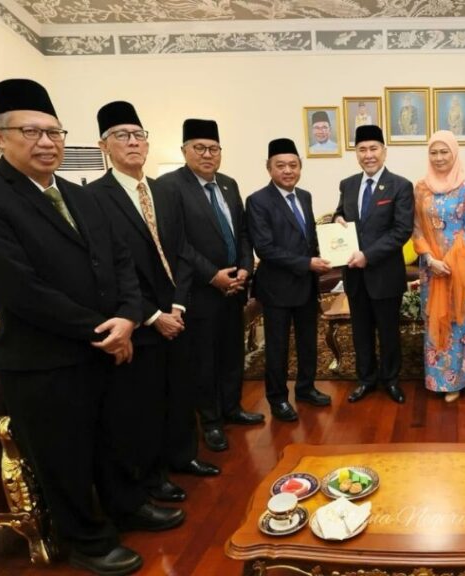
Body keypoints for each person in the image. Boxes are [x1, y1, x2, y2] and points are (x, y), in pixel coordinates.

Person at [0, 79, 175, 576]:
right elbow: (20, 288)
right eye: (30, 131)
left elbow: (121, 260)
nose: (46, 142)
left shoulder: (82, 196)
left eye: (54, 132)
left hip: (108, 346)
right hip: (45, 360)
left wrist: (129, 315)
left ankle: (127, 506)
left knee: (115, 439)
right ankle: (87, 541)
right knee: (65, 456)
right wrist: (103, 330)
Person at [88, 101, 199, 505]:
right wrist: (153, 315)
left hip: (178, 313)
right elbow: (110, 268)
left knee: (181, 391)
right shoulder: (93, 198)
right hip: (139, 319)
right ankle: (153, 477)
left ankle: (184, 456)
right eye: (122, 136)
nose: (133, 142)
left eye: (138, 135)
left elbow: (182, 251)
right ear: (104, 146)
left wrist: (179, 306)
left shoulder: (165, 191)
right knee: (146, 403)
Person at [156, 119, 262, 455]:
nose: (207, 154)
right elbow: (178, 242)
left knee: (232, 352)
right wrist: (213, 275)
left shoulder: (228, 184)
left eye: (213, 148)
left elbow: (242, 232)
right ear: (184, 150)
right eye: (199, 148)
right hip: (200, 291)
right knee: (203, 360)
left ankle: (232, 408)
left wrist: (245, 268)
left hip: (234, 287)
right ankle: (211, 420)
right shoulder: (170, 186)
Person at [245, 138, 333, 422]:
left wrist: (328, 249)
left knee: (308, 341)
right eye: (280, 165)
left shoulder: (304, 196)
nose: (288, 171)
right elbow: (265, 248)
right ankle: (278, 398)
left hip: (306, 285)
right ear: (269, 168)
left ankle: (306, 388)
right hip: (277, 287)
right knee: (278, 347)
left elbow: (308, 238)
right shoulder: (258, 201)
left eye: (293, 165)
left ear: (300, 167)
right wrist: (307, 263)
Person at [336, 125, 415, 404]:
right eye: (362, 149)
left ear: (384, 151)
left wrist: (368, 255)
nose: (368, 154)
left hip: (384, 273)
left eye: (373, 148)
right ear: (356, 153)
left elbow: (402, 230)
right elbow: (340, 214)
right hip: (354, 274)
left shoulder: (401, 186)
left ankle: (391, 380)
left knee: (388, 331)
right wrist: (337, 219)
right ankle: (366, 379)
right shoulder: (347, 184)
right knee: (361, 331)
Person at [412, 130, 465, 402]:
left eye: (444, 152)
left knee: (458, 320)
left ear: (454, 153)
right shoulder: (421, 188)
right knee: (434, 318)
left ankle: (457, 382)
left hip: (459, 268)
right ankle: (437, 379)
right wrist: (431, 260)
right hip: (431, 269)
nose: (439, 157)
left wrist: (449, 263)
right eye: (434, 152)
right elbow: (416, 228)